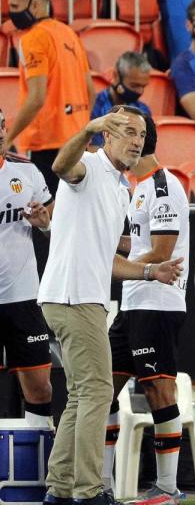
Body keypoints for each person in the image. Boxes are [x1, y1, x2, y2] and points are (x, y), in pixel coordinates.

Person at [38, 105, 183, 505]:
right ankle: (89, 491)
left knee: (84, 395)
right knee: (99, 391)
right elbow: (60, 164)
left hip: (83, 297)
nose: (137, 140)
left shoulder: (121, 188)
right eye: (128, 131)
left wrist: (152, 274)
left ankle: (60, 488)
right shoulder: (87, 165)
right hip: (74, 296)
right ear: (108, 134)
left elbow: (109, 260)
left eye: (141, 133)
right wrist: (88, 127)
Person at [98, 113, 190, 505]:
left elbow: (162, 253)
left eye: (129, 136)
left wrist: (115, 266)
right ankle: (100, 483)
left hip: (157, 303)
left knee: (158, 389)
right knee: (104, 389)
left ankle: (168, 488)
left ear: (141, 141)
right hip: (133, 303)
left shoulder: (164, 186)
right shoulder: (137, 188)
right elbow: (136, 245)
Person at [4, 0, 95, 194]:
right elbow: (90, 92)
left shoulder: (32, 39)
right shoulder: (69, 33)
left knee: (48, 217)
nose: (11, 13)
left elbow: (36, 97)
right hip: (77, 141)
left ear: (34, 5)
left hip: (48, 144)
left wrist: (7, 139)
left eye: (15, 7)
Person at [0, 110, 55, 429]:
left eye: (2, 125)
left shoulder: (28, 172)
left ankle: (40, 471)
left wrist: (44, 224)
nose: (0, 133)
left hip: (23, 297)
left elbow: (51, 226)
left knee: (40, 387)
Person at [90, 52, 153, 150]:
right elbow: (94, 151)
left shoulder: (143, 110)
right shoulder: (95, 107)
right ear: (116, 76)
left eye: (143, 86)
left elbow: (146, 153)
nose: (140, 91)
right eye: (135, 85)